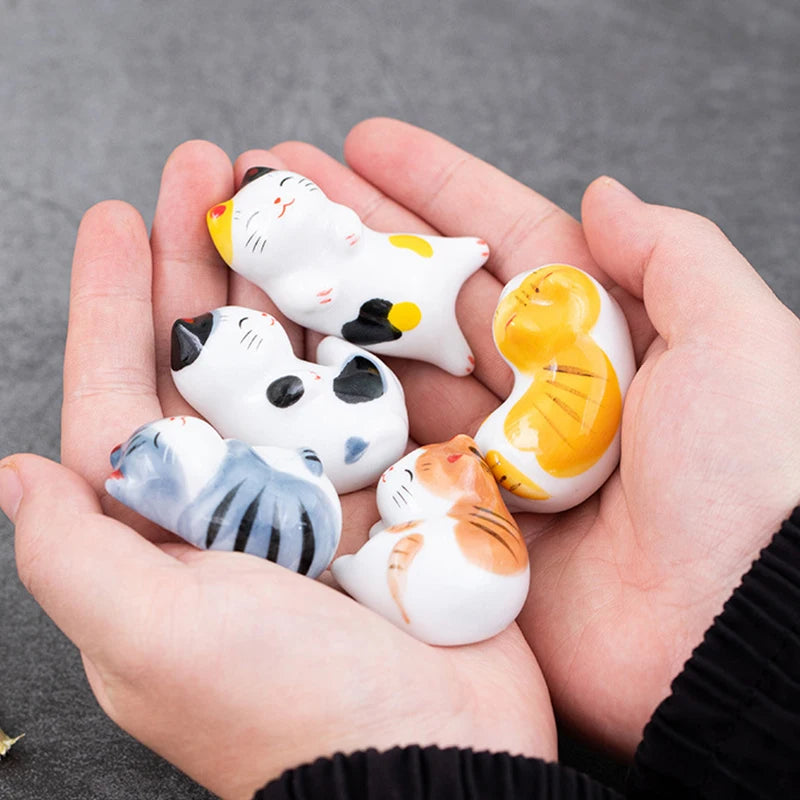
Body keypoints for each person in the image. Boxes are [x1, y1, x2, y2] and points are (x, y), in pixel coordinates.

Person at [0, 118, 798, 799]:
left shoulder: (315, 390)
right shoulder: (275, 376)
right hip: (356, 428)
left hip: (385, 412)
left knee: (417, 347)